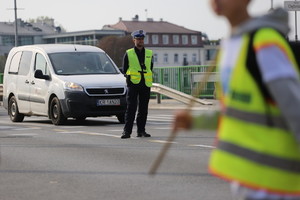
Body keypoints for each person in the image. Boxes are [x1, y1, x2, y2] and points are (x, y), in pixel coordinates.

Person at [173, 0, 300, 199]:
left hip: (273, 186)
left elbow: (295, 107)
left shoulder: (264, 43)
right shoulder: (231, 45)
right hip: (248, 181)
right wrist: (194, 121)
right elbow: (232, 110)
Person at [121, 30, 154, 139]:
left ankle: (141, 131)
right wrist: (131, 78)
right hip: (133, 84)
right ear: (134, 40)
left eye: (142, 39)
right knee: (131, 108)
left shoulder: (149, 53)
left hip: (145, 83)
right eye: (138, 39)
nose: (140, 41)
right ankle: (127, 132)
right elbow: (125, 69)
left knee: (143, 109)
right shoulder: (129, 53)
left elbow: (150, 67)